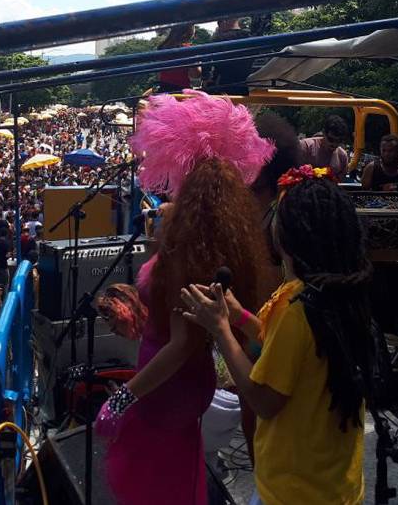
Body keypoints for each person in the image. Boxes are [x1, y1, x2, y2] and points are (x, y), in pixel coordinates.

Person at [95, 92, 273, 505]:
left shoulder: (185, 247)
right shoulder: (216, 240)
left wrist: (122, 400)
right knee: (178, 475)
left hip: (166, 389)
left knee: (155, 482)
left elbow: (180, 344)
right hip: (192, 387)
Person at [179, 167, 374, 505]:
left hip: (293, 491)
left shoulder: (297, 309)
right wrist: (238, 317)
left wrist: (219, 329)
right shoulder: (333, 294)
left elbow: (264, 401)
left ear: (291, 234)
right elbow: (289, 351)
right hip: (333, 483)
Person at [155, 25, 201, 92]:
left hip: (164, 89)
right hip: (182, 90)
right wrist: (196, 61)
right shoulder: (188, 50)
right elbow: (196, 75)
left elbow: (159, 75)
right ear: (188, 32)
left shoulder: (162, 48)